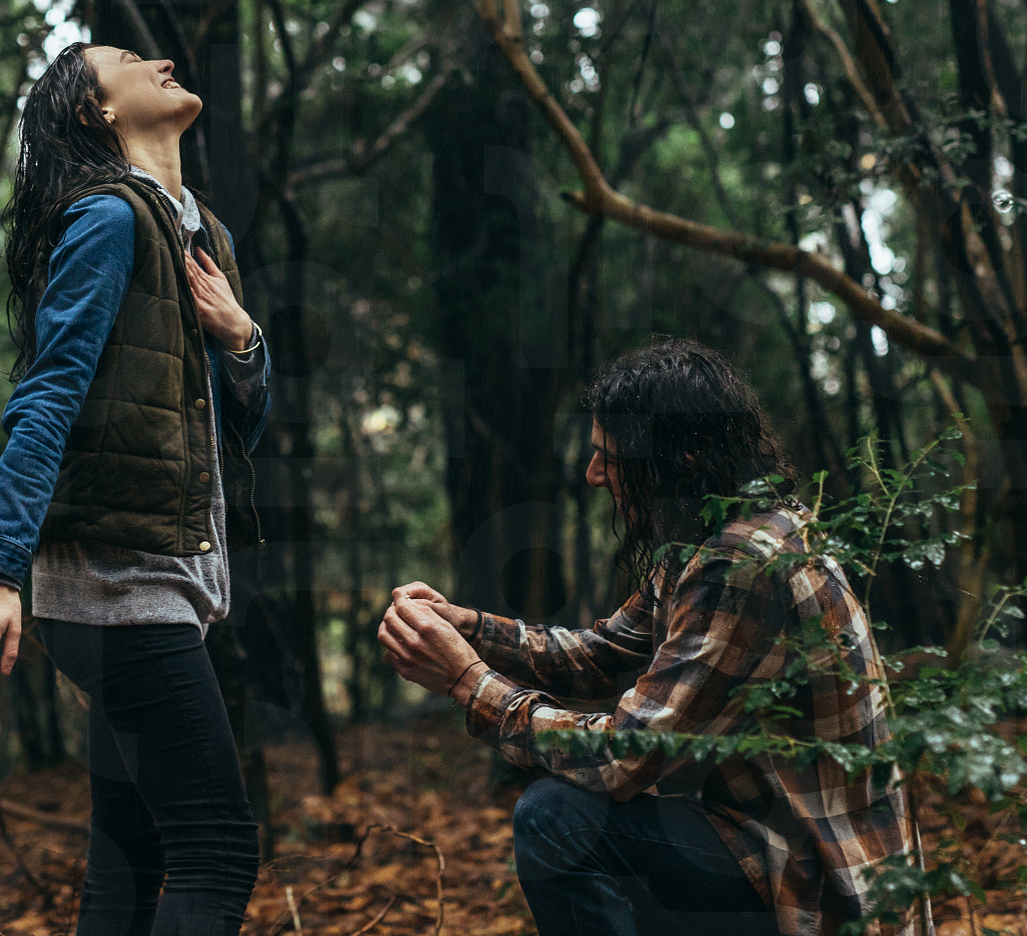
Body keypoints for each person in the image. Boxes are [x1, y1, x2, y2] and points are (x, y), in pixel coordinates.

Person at [377, 340, 922, 936]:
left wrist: (466, 681)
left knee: (556, 818)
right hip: (765, 843)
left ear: (680, 462)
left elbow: (623, 757)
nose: (593, 476)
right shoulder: (714, 532)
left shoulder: (740, 564)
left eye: (610, 459)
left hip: (815, 882)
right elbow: (602, 654)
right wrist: (469, 627)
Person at [0, 42, 269, 936]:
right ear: (100, 110)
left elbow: (231, 436)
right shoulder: (108, 218)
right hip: (118, 584)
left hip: (164, 582)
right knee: (218, 851)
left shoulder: (203, 235)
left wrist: (244, 339)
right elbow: (49, 392)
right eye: (130, 59)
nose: (161, 59)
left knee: (127, 860)